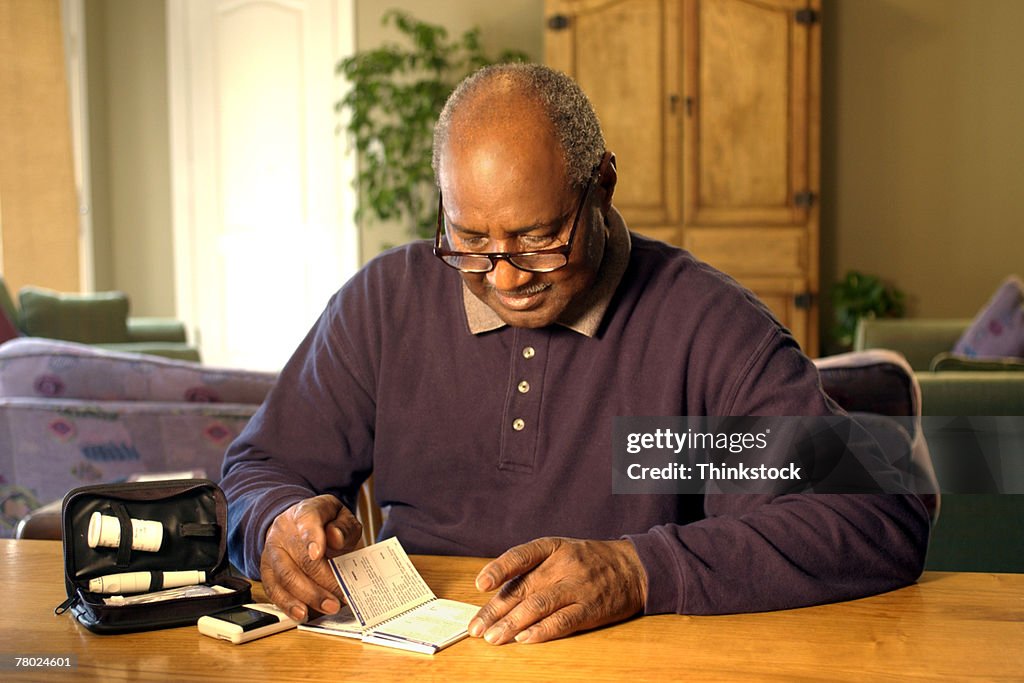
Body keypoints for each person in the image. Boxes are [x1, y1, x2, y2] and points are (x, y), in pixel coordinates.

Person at [221, 63, 929, 646]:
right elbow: (257, 470)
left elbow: (882, 511)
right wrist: (277, 526)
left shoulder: (702, 325)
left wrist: (638, 568)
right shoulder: (386, 301)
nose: (504, 277)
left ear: (604, 186)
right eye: (470, 240)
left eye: (537, 238)